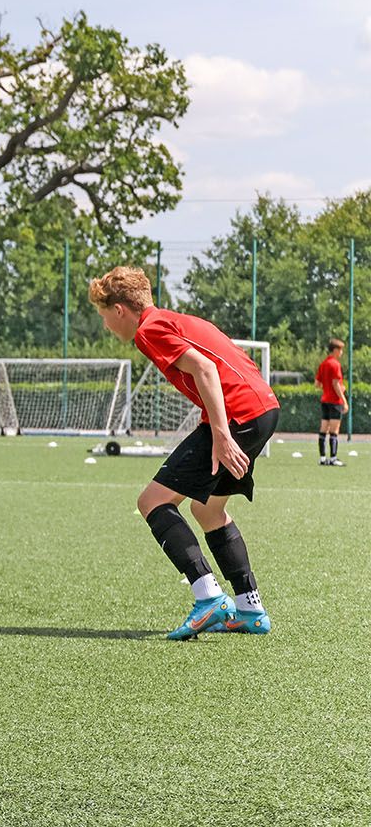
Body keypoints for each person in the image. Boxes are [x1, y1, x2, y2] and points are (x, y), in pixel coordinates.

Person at [89, 265, 279, 640]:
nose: (107, 326)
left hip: (238, 416)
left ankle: (208, 597)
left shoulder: (149, 330)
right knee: (207, 509)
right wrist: (212, 422)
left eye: (104, 317)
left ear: (119, 310)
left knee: (152, 501)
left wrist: (221, 433)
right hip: (262, 409)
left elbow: (206, 369)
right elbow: (232, 365)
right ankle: (249, 607)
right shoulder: (174, 319)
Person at [317, 338, 348, 466]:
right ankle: (333, 458)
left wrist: (327, 387)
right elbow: (335, 383)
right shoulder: (335, 364)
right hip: (335, 401)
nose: (341, 353)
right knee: (334, 431)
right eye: (340, 350)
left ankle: (323, 458)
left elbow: (317, 384)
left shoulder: (323, 364)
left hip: (325, 400)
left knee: (324, 429)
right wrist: (344, 399)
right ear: (335, 350)